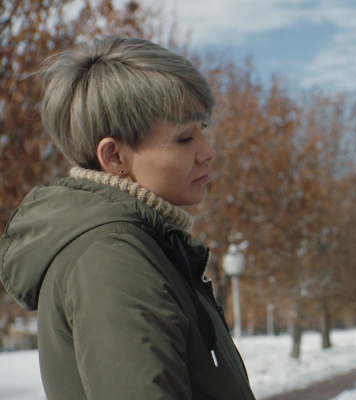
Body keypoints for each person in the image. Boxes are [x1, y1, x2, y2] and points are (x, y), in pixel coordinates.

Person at [0, 36, 256, 399]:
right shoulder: (111, 257)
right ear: (114, 157)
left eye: (203, 130)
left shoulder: (142, 243)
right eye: (184, 138)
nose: (207, 152)